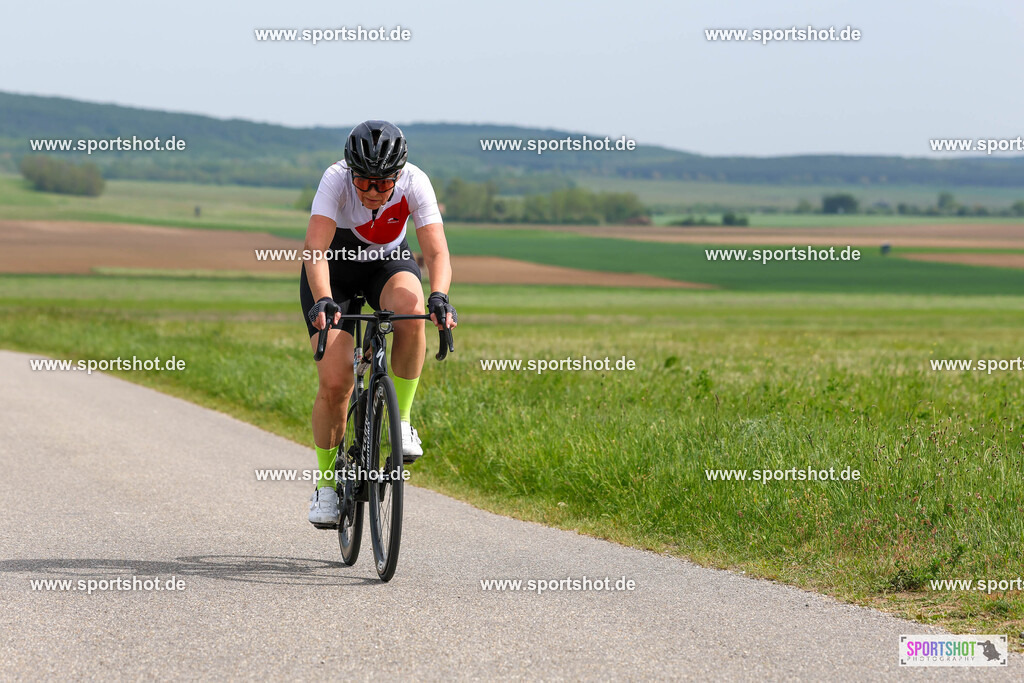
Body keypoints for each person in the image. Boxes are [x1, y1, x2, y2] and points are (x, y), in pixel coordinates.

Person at [300, 120, 457, 527]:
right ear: (350, 170)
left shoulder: (415, 183)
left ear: (399, 175)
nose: (371, 192)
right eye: (363, 182)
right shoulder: (334, 180)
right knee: (336, 382)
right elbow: (314, 249)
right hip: (334, 270)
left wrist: (439, 295)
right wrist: (323, 300)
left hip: (386, 262)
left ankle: (401, 422)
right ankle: (327, 486)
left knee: (412, 311)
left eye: (382, 183)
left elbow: (436, 254)